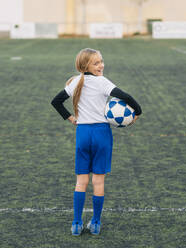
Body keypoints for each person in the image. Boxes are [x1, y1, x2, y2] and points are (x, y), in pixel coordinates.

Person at [51, 48, 142, 236]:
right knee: (98, 182)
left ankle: (76, 223)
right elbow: (125, 96)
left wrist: (70, 118)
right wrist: (138, 112)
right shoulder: (102, 82)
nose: (101, 65)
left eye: (101, 61)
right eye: (96, 63)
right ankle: (96, 223)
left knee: (81, 181)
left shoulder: (75, 81)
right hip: (101, 133)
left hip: (83, 133)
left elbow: (56, 101)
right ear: (86, 66)